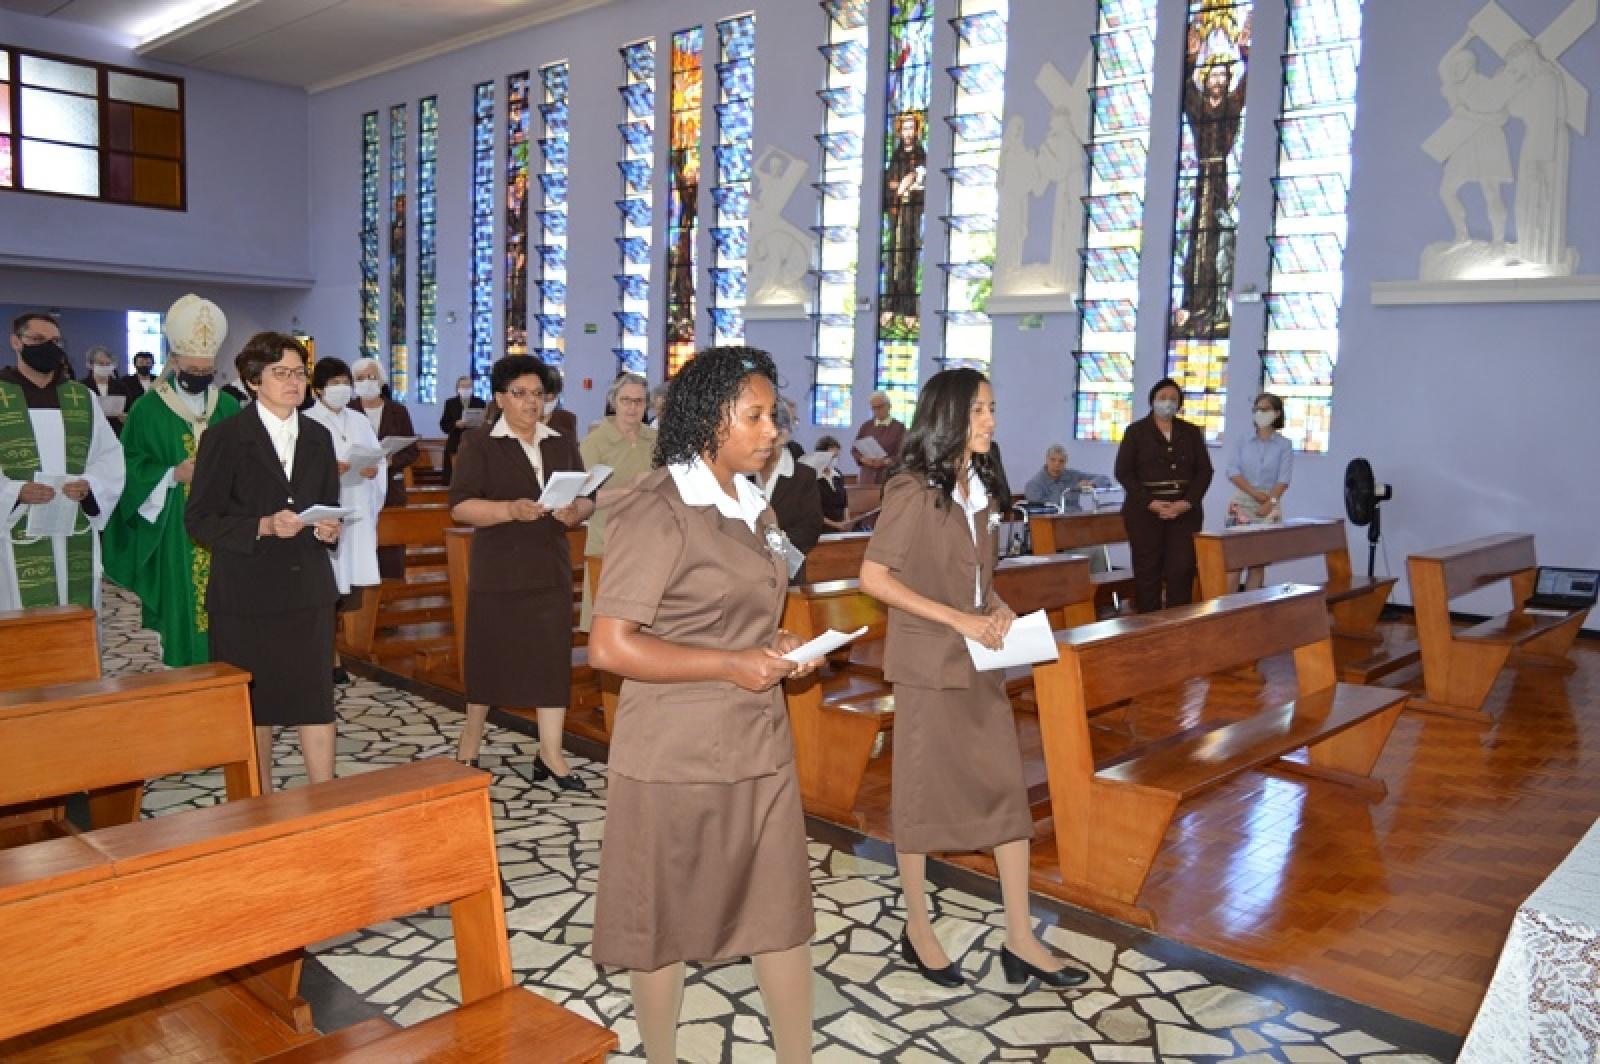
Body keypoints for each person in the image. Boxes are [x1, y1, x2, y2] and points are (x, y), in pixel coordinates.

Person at [589, 345, 820, 1064]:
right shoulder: (659, 509)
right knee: (661, 916)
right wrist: (730, 663)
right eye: (752, 416)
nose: (770, 430)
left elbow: (739, 615)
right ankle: (662, 1055)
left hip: (757, 739)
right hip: (676, 750)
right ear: (706, 420)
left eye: (773, 416)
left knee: (778, 909)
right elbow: (610, 646)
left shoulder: (756, 505)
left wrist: (777, 645)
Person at [859, 367, 1088, 992]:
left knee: (1005, 791)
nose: (991, 420)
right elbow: (874, 579)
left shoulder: (980, 488)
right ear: (951, 416)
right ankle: (917, 926)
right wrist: (959, 616)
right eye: (981, 410)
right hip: (929, 663)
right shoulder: (911, 489)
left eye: (992, 408)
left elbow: (978, 580)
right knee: (921, 791)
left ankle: (1020, 936)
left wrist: (998, 604)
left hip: (980, 659)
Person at [185, 332, 343, 790]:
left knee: (315, 699)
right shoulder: (225, 438)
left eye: (299, 373)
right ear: (253, 381)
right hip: (246, 594)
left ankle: (324, 798)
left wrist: (329, 529)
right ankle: (257, 803)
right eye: (281, 373)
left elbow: (325, 504)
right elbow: (199, 520)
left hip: (307, 589)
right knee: (254, 707)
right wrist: (262, 525)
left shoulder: (318, 436)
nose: (294, 382)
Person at [449, 355, 593, 784]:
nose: (531, 403)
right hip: (500, 566)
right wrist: (510, 509)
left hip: (549, 563)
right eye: (520, 394)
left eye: (538, 394)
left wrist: (575, 511)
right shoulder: (480, 443)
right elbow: (460, 506)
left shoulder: (560, 440)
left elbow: (587, 496)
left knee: (550, 661)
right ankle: (470, 740)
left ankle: (551, 752)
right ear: (500, 398)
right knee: (489, 657)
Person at [104, 294, 241, 667]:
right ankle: (181, 674)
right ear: (175, 361)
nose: (199, 377)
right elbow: (127, 465)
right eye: (193, 370)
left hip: (223, 525)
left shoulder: (227, 407)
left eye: (206, 371)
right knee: (184, 603)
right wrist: (172, 474)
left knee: (226, 607)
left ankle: (225, 675)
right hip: (173, 527)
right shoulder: (149, 408)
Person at [0, 312, 125, 611]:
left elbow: (108, 455)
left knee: (75, 614)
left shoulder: (81, 397)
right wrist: (14, 491)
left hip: (74, 524)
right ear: (16, 342)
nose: (49, 348)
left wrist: (90, 485)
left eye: (55, 341)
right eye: (38, 340)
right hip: (15, 528)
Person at [304, 356, 385, 679]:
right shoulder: (307, 420)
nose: (341, 389)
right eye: (333, 384)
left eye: (344, 383)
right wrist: (328, 469)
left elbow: (376, 460)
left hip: (357, 510)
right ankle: (327, 656)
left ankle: (334, 653)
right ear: (318, 389)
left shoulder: (359, 420)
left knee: (348, 588)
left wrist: (371, 469)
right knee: (325, 585)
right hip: (327, 513)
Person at [1114, 378, 1213, 613]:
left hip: (1184, 513)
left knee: (1182, 568)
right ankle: (1147, 628)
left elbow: (1204, 471)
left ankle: (1177, 625)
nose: (1167, 403)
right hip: (1145, 513)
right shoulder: (1136, 432)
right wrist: (1150, 502)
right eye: (1162, 398)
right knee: (1148, 571)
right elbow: (1123, 472)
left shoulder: (1190, 432)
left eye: (1173, 399)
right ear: (1152, 401)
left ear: (1179, 404)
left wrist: (1186, 503)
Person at [577, 371, 656, 630]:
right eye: (626, 400)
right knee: (608, 627)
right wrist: (628, 491)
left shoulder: (654, 440)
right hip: (607, 542)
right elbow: (583, 500)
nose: (632, 408)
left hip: (648, 540)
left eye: (639, 401)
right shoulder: (595, 442)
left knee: (645, 627)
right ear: (613, 401)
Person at [351, 356, 420, 577]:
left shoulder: (397, 411)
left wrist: (390, 461)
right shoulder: (348, 410)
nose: (367, 382)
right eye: (360, 378)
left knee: (391, 548)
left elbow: (412, 451)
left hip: (391, 489)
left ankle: (392, 590)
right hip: (356, 488)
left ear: (381, 380)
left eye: (371, 377)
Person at [1225, 392, 1294, 588]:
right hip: (1242, 501)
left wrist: (1270, 503)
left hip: (1269, 504)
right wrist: (1253, 493)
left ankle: (1249, 611)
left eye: (1264, 409)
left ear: (1277, 413)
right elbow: (1232, 471)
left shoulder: (1284, 445)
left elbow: (1284, 479)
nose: (1259, 413)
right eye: (1256, 409)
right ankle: (1227, 612)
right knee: (1234, 563)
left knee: (1257, 564)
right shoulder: (1243, 440)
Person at [751, 398, 823, 582]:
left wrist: (773, 542)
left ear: (782, 435)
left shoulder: (803, 476)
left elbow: (811, 527)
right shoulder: (744, 473)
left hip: (786, 572)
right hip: (747, 570)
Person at [1023, 444, 1112, 511]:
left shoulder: (1072, 475)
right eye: (1053, 460)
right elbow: (1044, 508)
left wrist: (1091, 484)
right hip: (1052, 525)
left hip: (1077, 521)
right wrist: (1075, 489)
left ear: (1066, 462)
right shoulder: (1033, 484)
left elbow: (1105, 479)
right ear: (1046, 459)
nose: (1057, 464)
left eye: (1061, 461)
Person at [438, 374, 486, 483]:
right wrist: (455, 424)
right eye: (463, 386)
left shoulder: (480, 403)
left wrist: (477, 423)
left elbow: (486, 424)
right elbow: (444, 425)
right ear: (457, 388)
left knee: (474, 477)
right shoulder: (450, 403)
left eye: (468, 386)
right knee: (453, 477)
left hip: (474, 444)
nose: (466, 389)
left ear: (472, 388)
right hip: (455, 443)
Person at [852, 390, 905, 487]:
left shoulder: (899, 428)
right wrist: (864, 460)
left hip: (888, 477)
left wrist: (885, 461)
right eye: (873, 408)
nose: (876, 411)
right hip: (867, 477)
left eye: (879, 407)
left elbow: (903, 454)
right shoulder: (866, 426)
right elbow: (855, 450)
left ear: (889, 406)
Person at [82, 345, 127, 436]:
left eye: (108, 364)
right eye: (101, 364)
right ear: (91, 365)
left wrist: (126, 417)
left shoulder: (121, 386)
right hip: (91, 433)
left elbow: (130, 408)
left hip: (115, 432)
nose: (105, 367)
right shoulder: (82, 386)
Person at [811, 435, 850, 531]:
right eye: (832, 457)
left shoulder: (838, 474)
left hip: (841, 526)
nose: (834, 459)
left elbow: (844, 504)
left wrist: (847, 521)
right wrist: (836, 525)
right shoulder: (811, 477)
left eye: (836, 456)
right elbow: (813, 511)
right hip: (821, 529)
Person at [541, 365, 579, 439]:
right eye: (543, 394)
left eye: (553, 395)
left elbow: (571, 448)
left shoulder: (567, 419)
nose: (549, 397)